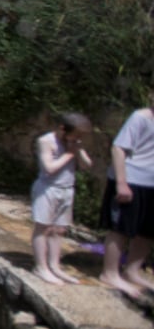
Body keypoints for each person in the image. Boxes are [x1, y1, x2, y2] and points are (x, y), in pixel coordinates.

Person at [99, 101, 154, 298]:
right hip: (130, 179)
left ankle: (132, 271)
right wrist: (122, 183)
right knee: (120, 228)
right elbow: (118, 148)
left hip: (151, 183)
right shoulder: (141, 117)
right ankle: (110, 273)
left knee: (148, 230)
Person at [30, 113, 92, 286]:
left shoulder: (73, 144)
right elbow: (49, 168)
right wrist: (70, 154)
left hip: (66, 189)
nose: (78, 138)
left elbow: (87, 166)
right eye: (77, 135)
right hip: (47, 189)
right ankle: (40, 267)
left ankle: (54, 265)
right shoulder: (46, 141)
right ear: (62, 129)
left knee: (59, 230)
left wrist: (79, 150)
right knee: (43, 228)